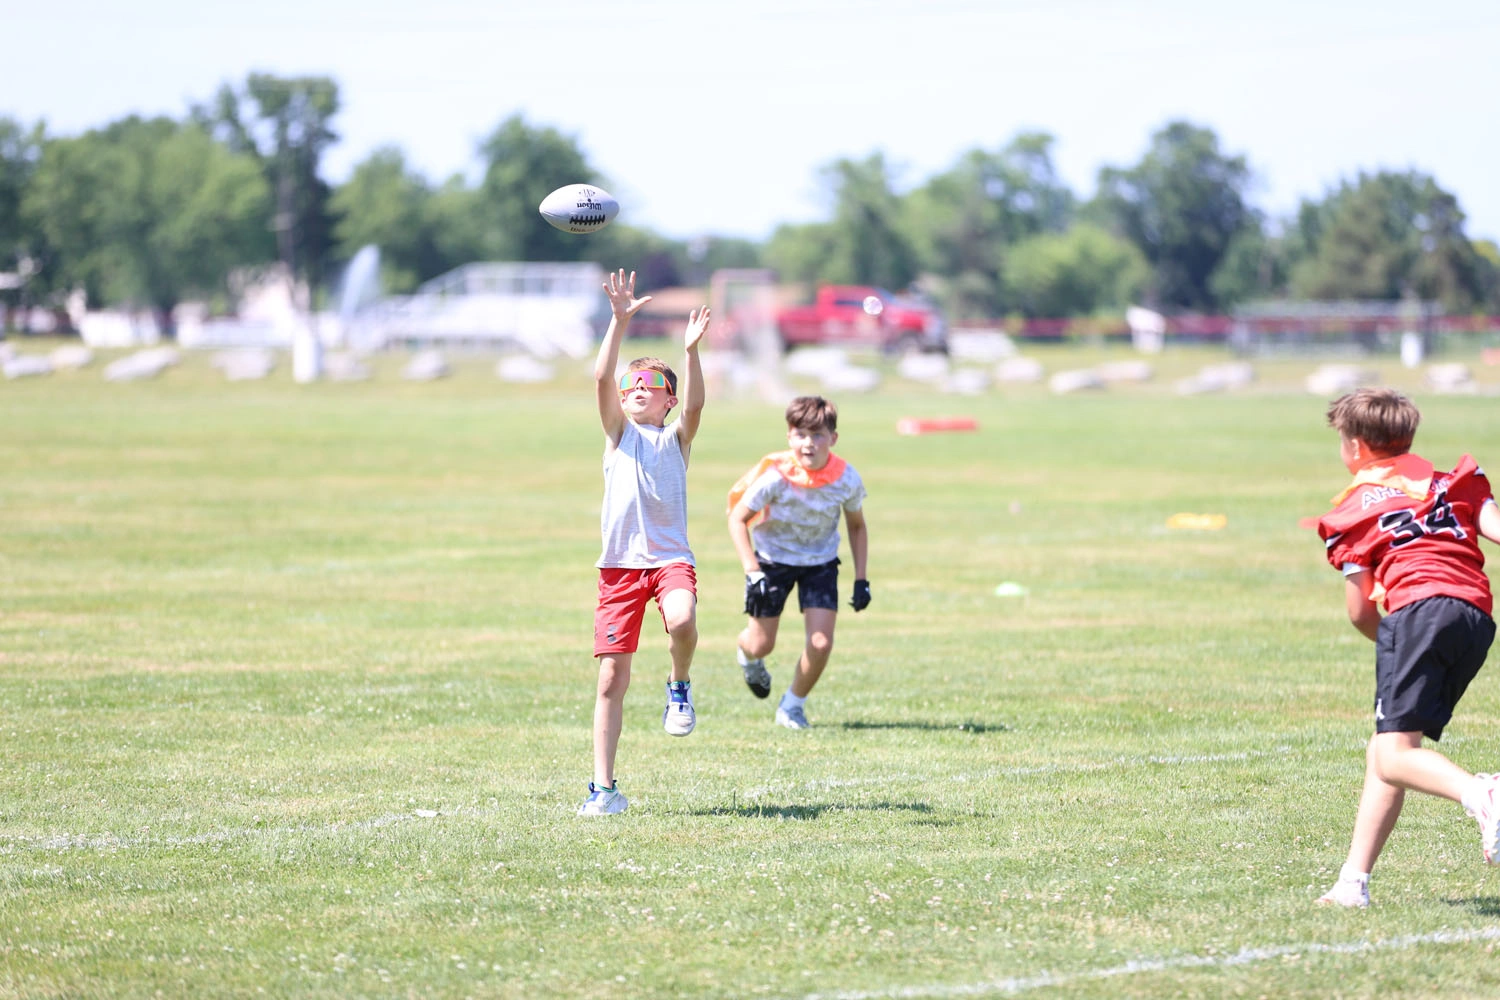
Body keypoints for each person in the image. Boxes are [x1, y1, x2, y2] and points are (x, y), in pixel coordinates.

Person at [1314, 387, 1500, 906]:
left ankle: (1484, 795)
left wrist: (1393, 640)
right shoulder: (1453, 481)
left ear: (1354, 447)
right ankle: (1354, 882)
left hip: (1417, 613)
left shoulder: (1351, 512)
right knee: (1389, 749)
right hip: (1475, 617)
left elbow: (1359, 610)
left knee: (1395, 755)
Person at [578, 269, 711, 817]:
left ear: (668, 400)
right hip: (619, 568)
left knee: (681, 621)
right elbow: (600, 378)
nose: (636, 391)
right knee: (612, 676)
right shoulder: (619, 435)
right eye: (631, 386)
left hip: (670, 560)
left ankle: (679, 683)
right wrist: (618, 322)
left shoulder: (675, 438)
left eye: (649, 387)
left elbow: (698, 406)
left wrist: (691, 353)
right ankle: (604, 790)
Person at [727, 395, 869, 729]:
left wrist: (861, 579)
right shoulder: (776, 477)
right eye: (801, 434)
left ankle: (791, 706)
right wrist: (752, 571)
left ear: (833, 438)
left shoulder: (846, 479)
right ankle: (747, 655)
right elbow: (737, 519)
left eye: (818, 435)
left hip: (820, 563)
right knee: (762, 643)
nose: (809, 443)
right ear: (789, 437)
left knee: (821, 643)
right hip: (772, 563)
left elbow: (857, 526)